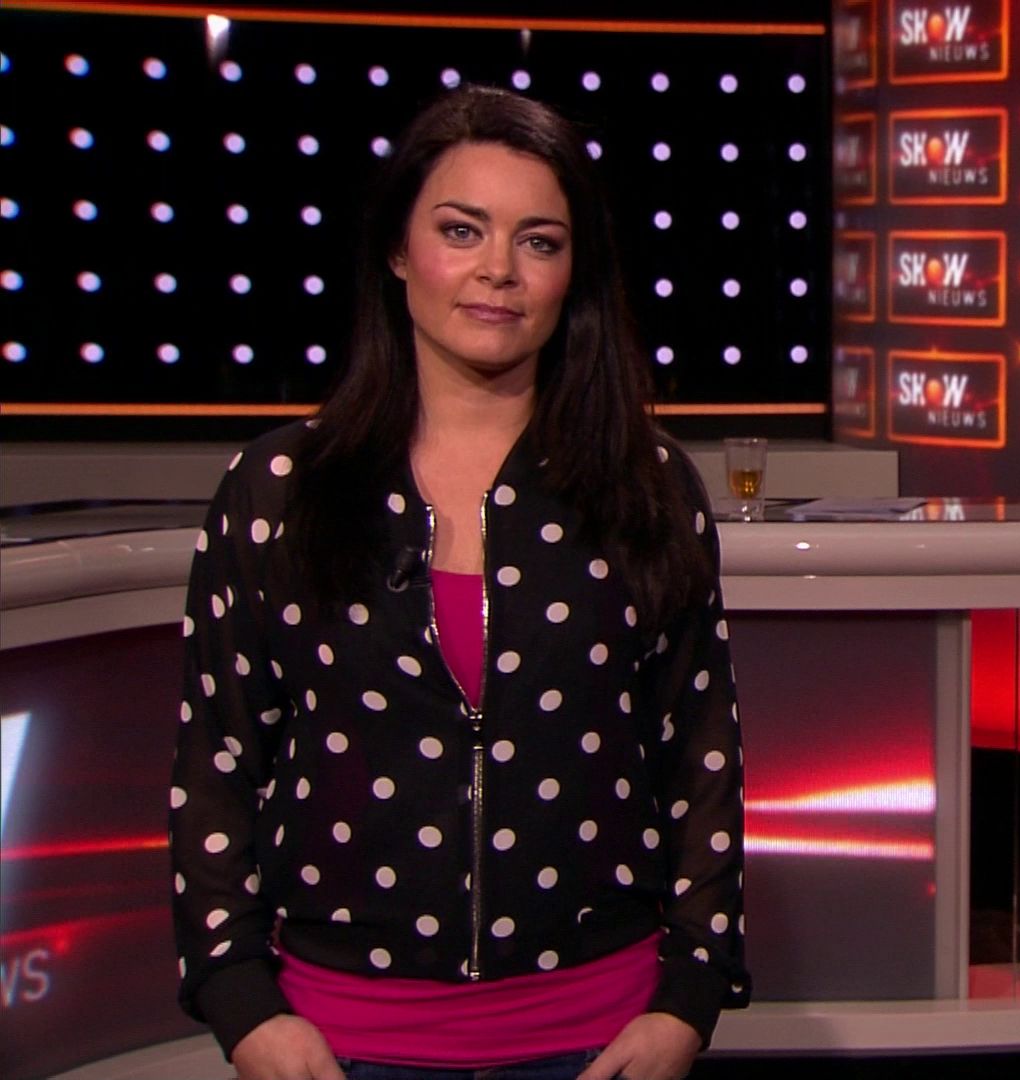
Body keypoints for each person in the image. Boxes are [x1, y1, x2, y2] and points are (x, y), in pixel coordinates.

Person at [169, 86, 748, 1080]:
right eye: (461, 230)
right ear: (398, 251)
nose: (498, 271)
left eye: (539, 241)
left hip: (600, 1037)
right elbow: (217, 762)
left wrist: (689, 1001)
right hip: (341, 1045)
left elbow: (701, 757)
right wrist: (241, 1003)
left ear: (574, 273)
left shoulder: (646, 487)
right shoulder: (280, 488)